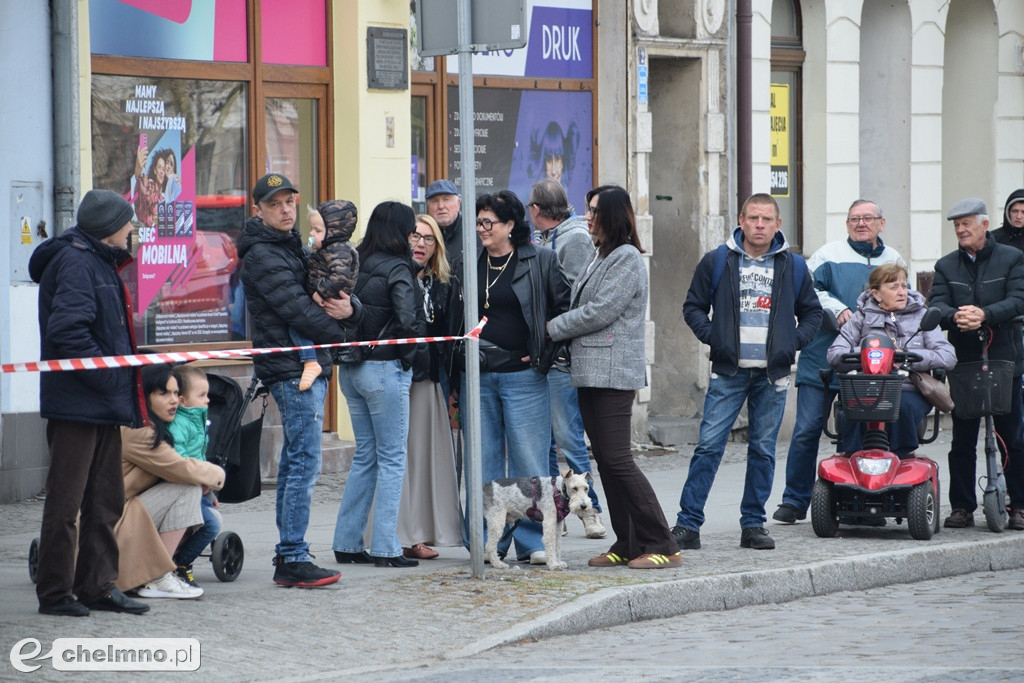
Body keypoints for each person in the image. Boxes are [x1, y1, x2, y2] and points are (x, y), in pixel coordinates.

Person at [672, 193, 822, 551]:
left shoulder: (795, 266)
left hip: (773, 375)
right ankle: (687, 524)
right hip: (729, 372)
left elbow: (814, 314)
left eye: (766, 219)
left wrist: (790, 343)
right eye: (753, 218)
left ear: (777, 224)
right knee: (708, 447)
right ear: (740, 220)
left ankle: (753, 524)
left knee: (763, 450)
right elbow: (693, 307)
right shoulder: (718, 261)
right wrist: (718, 340)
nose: (759, 225)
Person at [29, 189, 150, 617]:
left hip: (100, 402)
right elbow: (68, 333)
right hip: (78, 404)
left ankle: (97, 585)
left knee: (104, 500)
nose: (132, 229)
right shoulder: (77, 261)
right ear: (109, 227)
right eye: (128, 222)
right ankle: (56, 592)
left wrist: (113, 384)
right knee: (66, 503)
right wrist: (112, 377)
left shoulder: (96, 259)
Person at [547, 185, 681, 569]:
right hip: (590, 371)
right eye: (587, 210)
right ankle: (628, 542)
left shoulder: (626, 258)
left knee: (619, 461)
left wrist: (552, 328)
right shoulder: (599, 254)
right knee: (605, 461)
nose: (587, 217)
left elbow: (600, 311)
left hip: (613, 374)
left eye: (593, 210)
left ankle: (662, 544)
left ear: (613, 215)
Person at [238, 173, 361, 587]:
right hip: (291, 370)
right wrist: (345, 333)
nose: (286, 209)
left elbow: (325, 290)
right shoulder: (262, 253)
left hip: (306, 364)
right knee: (303, 463)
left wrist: (351, 310)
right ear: (259, 210)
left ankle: (292, 552)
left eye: (290, 201)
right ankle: (291, 555)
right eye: (276, 204)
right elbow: (296, 308)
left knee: (298, 462)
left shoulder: (290, 245)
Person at [447, 189, 571, 565]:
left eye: (490, 223)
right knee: (482, 465)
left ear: (511, 225)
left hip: (523, 377)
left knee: (529, 463)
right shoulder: (468, 262)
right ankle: (487, 542)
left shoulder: (541, 261)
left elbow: (564, 311)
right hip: (478, 378)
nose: (482, 229)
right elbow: (455, 316)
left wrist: (543, 354)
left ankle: (532, 542)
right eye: (479, 222)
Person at [772, 199, 906, 524]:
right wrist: (836, 308)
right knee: (805, 430)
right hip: (821, 358)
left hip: (870, 366)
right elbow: (809, 292)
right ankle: (795, 500)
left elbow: (904, 299)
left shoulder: (893, 260)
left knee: (856, 434)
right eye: (854, 219)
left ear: (881, 223)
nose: (861, 224)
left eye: (868, 218)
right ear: (847, 224)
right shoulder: (826, 255)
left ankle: (856, 502)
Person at [332, 201, 423, 568]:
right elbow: (406, 320)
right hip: (384, 370)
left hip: (352, 370)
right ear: (401, 231)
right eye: (412, 230)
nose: (414, 236)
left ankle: (347, 542)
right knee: (391, 458)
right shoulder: (399, 268)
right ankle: (386, 546)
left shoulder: (355, 261)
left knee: (366, 458)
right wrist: (411, 355)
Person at [929, 198, 1024, 531]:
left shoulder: (1012, 258)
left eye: (966, 223)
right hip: (965, 360)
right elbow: (936, 304)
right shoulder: (945, 265)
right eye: (956, 225)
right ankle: (962, 507)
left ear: (984, 224)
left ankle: (1018, 505)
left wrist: (985, 314)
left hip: (1006, 359)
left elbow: (1018, 299)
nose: (960, 229)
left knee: (1011, 435)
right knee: (963, 438)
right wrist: (956, 315)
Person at [529, 178, 605, 538]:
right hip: (541, 356)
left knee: (569, 439)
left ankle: (592, 512)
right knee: (543, 443)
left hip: (560, 356)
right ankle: (553, 515)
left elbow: (572, 297)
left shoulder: (572, 240)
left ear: (536, 210)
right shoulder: (546, 239)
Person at [116, 364, 222, 600]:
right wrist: (217, 475)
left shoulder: (151, 427)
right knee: (187, 485)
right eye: (164, 393)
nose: (173, 400)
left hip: (125, 514)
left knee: (198, 500)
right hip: (115, 522)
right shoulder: (139, 432)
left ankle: (160, 571)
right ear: (143, 395)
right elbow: (181, 468)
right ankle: (158, 575)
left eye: (176, 393)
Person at [826, 264, 956, 455]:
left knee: (900, 405)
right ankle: (852, 458)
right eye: (894, 287)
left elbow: (948, 356)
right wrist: (873, 353)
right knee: (853, 408)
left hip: (908, 388)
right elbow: (835, 353)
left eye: (904, 286)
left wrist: (907, 357)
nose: (902, 292)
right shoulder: (861, 317)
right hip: (867, 387)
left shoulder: (921, 316)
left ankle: (903, 457)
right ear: (876, 294)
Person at [395, 214, 464, 560]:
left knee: (426, 457)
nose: (420, 244)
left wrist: (451, 383)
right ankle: (404, 534)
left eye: (428, 239)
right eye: (415, 236)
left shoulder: (442, 284)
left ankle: (423, 530)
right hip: (400, 375)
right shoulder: (397, 277)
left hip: (431, 380)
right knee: (402, 458)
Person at [290, 200, 360, 391]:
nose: (311, 234)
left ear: (334, 233)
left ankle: (310, 361)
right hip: (326, 301)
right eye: (312, 229)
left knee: (298, 326)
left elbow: (339, 278)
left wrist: (318, 293)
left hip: (327, 301)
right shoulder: (329, 250)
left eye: (317, 230)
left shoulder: (339, 250)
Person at [167, 364, 221, 587]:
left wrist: (209, 493)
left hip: (198, 487)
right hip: (185, 486)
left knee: (213, 515)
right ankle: (181, 564)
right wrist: (202, 480)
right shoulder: (180, 424)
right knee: (212, 525)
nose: (207, 400)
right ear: (182, 400)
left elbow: (198, 456)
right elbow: (179, 459)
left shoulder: (196, 418)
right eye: (201, 395)